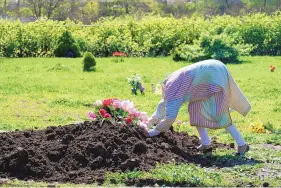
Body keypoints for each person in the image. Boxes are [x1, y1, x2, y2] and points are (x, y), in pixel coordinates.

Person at [141, 59, 251, 155]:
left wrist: (153, 132)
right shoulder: (171, 85)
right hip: (205, 75)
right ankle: (206, 144)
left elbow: (170, 117)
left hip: (213, 74)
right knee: (196, 110)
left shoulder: (173, 91)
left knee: (219, 114)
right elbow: (161, 108)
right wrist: (149, 122)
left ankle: (242, 144)